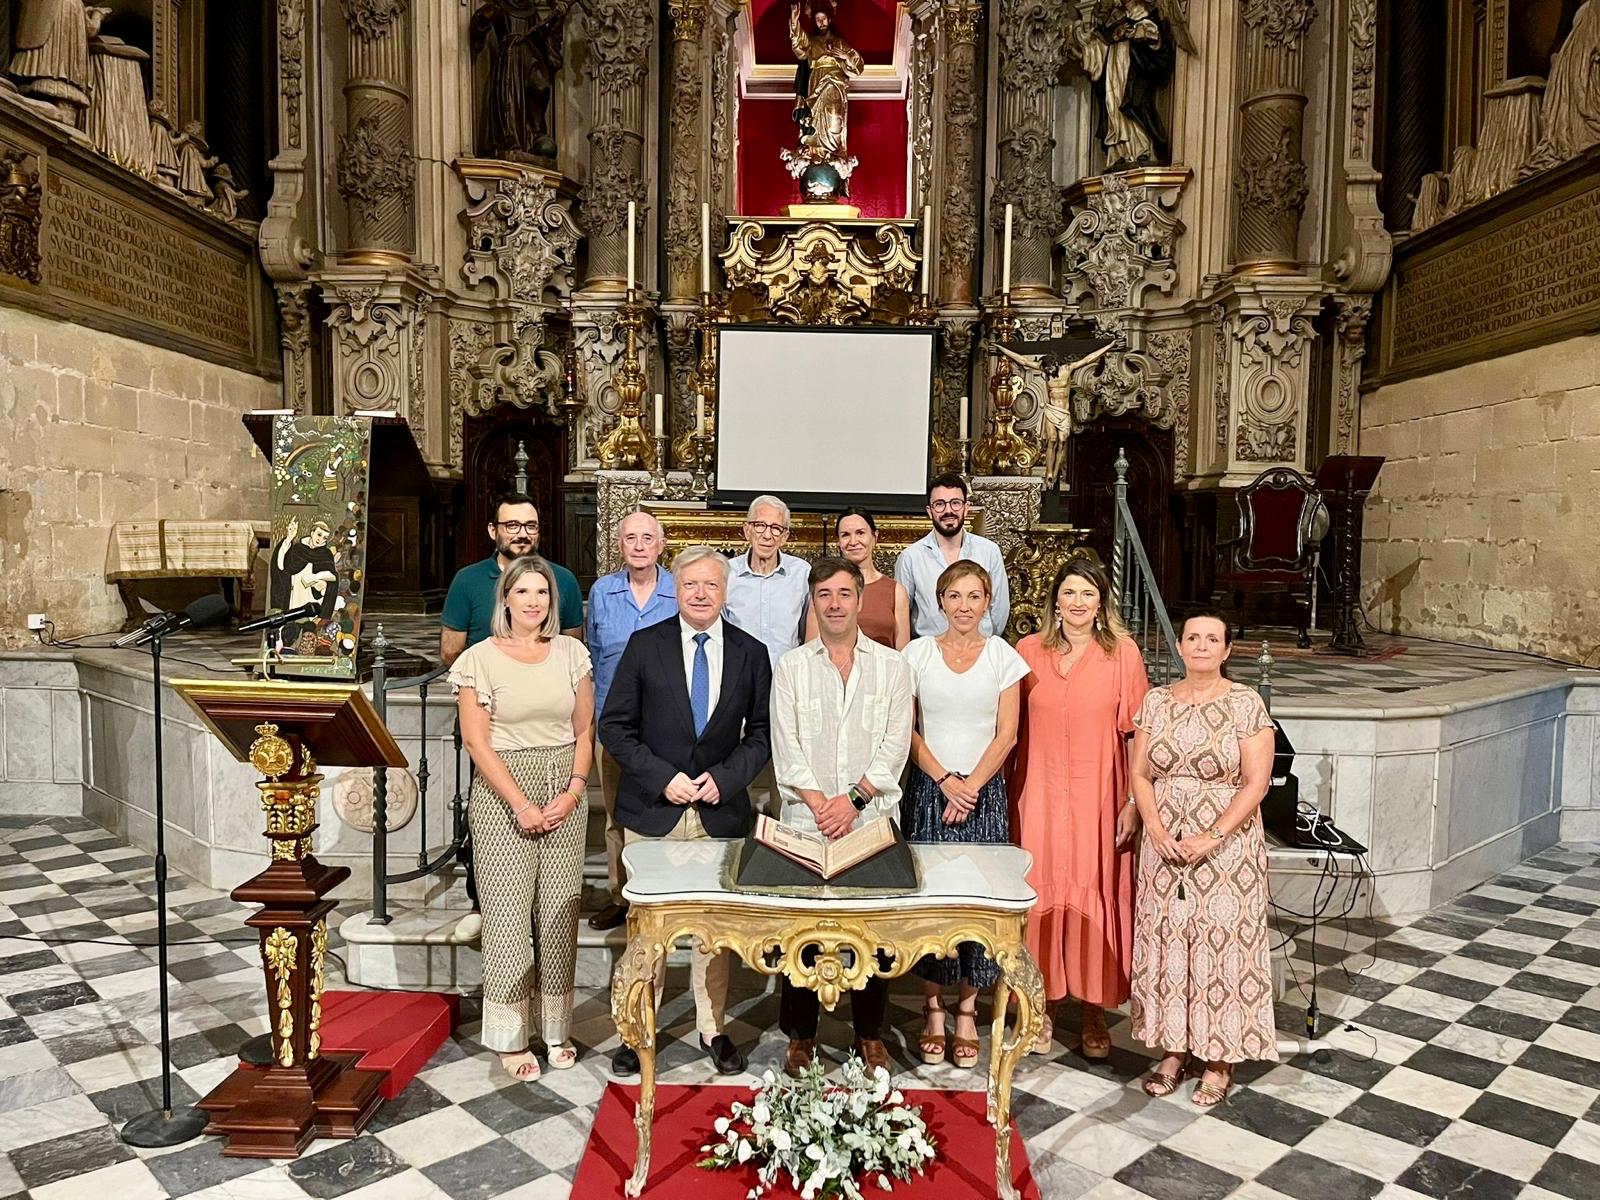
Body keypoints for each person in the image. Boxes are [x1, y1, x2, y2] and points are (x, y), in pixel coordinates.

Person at [599, 545, 773, 1078]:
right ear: (677, 590)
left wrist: (724, 779)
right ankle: (637, 1028)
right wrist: (663, 777)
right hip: (654, 810)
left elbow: (763, 733)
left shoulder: (751, 651)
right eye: (690, 585)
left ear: (725, 591)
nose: (700, 594)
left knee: (711, 931)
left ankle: (711, 1027)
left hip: (719, 814)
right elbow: (615, 728)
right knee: (646, 926)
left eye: (711, 585)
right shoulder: (644, 645)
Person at [449, 556, 594, 1082]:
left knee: (558, 912)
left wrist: (575, 790)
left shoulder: (571, 653)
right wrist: (520, 803)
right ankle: (510, 1036)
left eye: (543, 593)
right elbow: (476, 741)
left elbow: (584, 730)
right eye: (524, 591)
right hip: (502, 791)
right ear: (505, 598)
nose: (534, 601)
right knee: (509, 918)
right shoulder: (478, 659)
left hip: (563, 789)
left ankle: (556, 1028)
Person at [771, 557, 914, 1078]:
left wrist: (851, 802)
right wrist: (820, 805)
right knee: (803, 930)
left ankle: (870, 1034)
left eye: (844, 593)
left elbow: (895, 745)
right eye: (824, 594)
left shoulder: (894, 667)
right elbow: (786, 747)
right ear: (813, 600)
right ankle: (801, 1036)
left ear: (859, 600)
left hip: (870, 819)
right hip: (805, 822)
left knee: (869, 929)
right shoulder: (791, 668)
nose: (834, 603)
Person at [1129, 609, 1276, 1106]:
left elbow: (1257, 783)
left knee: (1221, 946)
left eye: (1212, 638)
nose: (1201, 645)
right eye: (1193, 637)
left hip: (1227, 846)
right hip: (1164, 841)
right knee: (1168, 941)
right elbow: (1141, 774)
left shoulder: (1245, 704)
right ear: (1180, 644)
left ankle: (1218, 1057)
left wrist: (1211, 835)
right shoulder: (1156, 701)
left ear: (1227, 650)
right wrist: (1155, 827)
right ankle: (1174, 1049)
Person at [1011, 554, 1149, 1058]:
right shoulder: (1028, 650)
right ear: (1055, 600)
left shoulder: (1124, 654)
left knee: (1095, 888)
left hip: (1098, 793)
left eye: (1087, 594)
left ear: (1101, 603)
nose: (1077, 603)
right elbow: (1010, 724)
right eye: (1069, 593)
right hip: (1039, 793)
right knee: (1039, 892)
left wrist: (1134, 801)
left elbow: (1137, 734)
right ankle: (1039, 1009)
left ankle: (1095, 1010)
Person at [900, 561, 1028, 1069]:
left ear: (988, 601)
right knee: (932, 905)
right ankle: (933, 1007)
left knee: (978, 903)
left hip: (983, 795)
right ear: (940, 600)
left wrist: (971, 786)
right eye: (955, 596)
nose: (964, 606)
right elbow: (906, 730)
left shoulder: (1003, 656)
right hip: (931, 791)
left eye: (975, 596)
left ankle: (969, 1008)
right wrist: (946, 782)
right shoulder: (916, 654)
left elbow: (1008, 733)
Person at [441, 492, 583, 943]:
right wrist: (493, 674)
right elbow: (450, 648)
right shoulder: (468, 581)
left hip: (552, 733)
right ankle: (484, 901)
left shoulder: (561, 579)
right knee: (487, 822)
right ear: (494, 531)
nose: (521, 533)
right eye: (512, 525)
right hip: (489, 715)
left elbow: (570, 644)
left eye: (530, 525)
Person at [585, 511, 677, 932]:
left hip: (667, 725)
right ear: (618, 545)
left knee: (667, 812)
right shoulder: (604, 592)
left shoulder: (679, 590)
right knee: (617, 814)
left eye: (647, 538)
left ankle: (664, 893)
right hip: (615, 723)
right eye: (630, 538)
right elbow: (593, 654)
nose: (639, 546)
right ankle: (620, 898)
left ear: (661, 546)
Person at [725, 493, 809, 815]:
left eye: (776, 528)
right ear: (747, 529)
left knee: (785, 780)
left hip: (786, 690)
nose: (767, 534)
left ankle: (782, 849)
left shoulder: (802, 575)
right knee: (734, 774)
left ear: (785, 535)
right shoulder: (726, 574)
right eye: (760, 525)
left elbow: (807, 635)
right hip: (736, 692)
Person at [895, 473, 1010, 639]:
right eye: (940, 504)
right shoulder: (910, 558)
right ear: (930, 511)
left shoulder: (989, 551)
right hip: (929, 655)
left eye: (955, 503)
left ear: (966, 507)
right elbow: (902, 616)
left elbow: (999, 612)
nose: (948, 511)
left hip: (980, 651)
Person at [805, 508, 910, 649]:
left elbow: (903, 656)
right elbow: (811, 651)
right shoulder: (824, 589)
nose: (853, 541)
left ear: (875, 537)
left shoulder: (895, 591)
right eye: (846, 535)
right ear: (838, 542)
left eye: (860, 533)